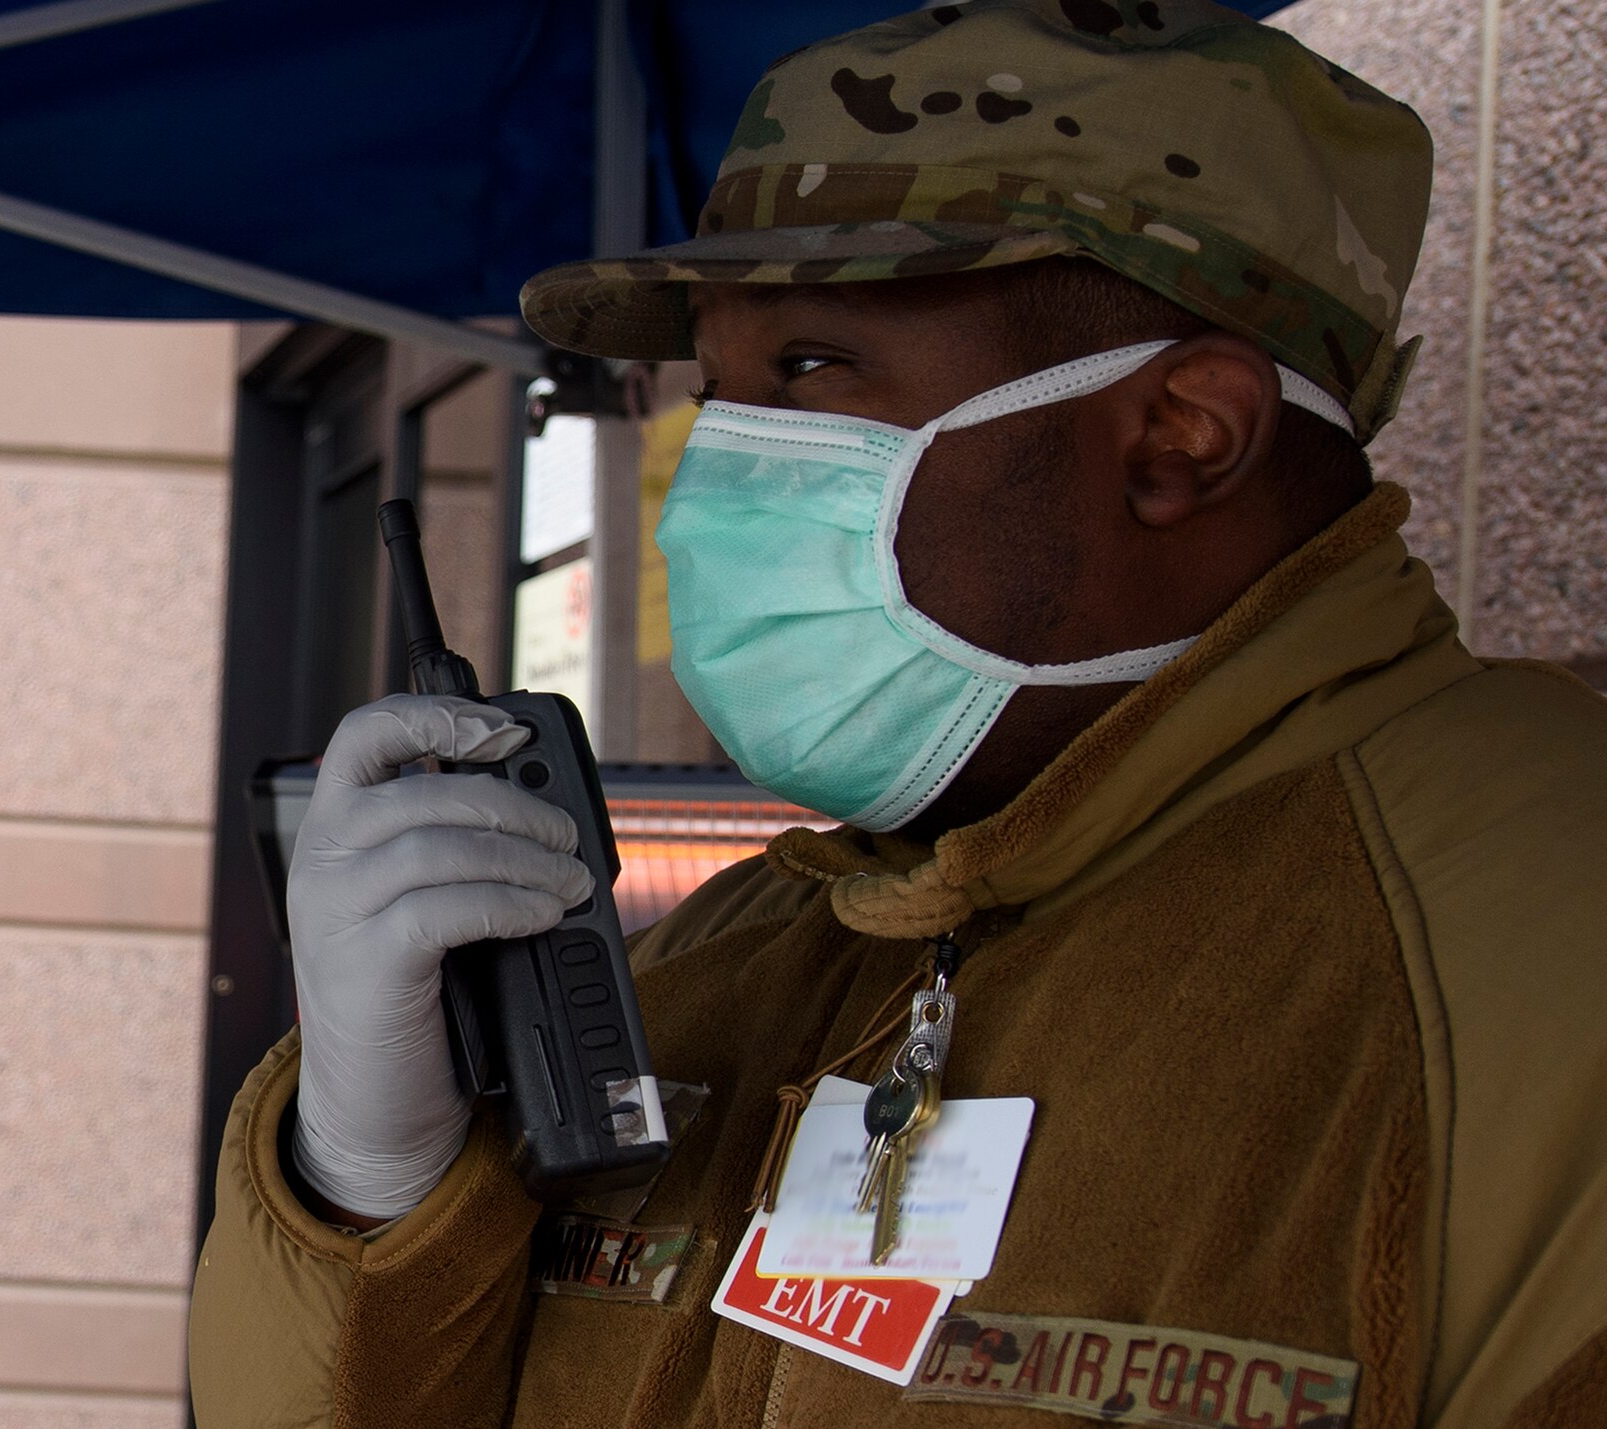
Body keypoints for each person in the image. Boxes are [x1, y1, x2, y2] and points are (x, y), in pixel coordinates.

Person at [188, 2, 1607, 1425]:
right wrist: (368, 1185)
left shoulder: (1535, 957)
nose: (723, 467)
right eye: (714, 389)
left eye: (811, 371)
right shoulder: (738, 957)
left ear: (1185, 433)